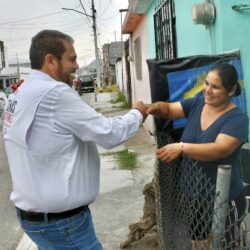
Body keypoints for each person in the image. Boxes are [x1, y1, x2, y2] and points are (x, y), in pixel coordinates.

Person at [3, 30, 147, 250]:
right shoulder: (55, 93)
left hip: (36, 219)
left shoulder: (21, 93)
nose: (77, 65)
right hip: (62, 224)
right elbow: (109, 133)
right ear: (50, 60)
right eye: (71, 59)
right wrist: (138, 113)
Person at [146, 63, 249, 249]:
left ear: (231, 90)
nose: (207, 90)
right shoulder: (197, 103)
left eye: (215, 86)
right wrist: (152, 107)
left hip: (223, 200)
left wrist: (182, 147)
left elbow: (220, 149)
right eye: (206, 83)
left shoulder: (237, 119)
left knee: (224, 246)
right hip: (194, 197)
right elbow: (169, 110)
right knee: (199, 244)